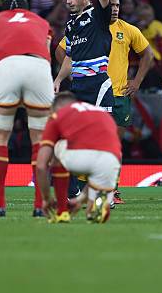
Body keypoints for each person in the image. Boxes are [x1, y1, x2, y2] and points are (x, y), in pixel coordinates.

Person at [53, 0, 113, 209]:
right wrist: (58, 79)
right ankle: (77, 191)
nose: (68, 0)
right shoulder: (71, 25)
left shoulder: (98, 15)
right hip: (78, 86)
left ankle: (106, 194)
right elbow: (71, 57)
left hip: (99, 84)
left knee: (101, 139)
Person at [0, 0, 54, 217]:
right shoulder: (42, 22)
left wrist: (0, 91)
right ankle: (40, 205)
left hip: (7, 67)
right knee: (40, 140)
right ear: (27, 10)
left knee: (0, 137)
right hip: (39, 67)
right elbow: (48, 56)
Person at [36, 92, 122, 224]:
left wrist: (47, 199)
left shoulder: (58, 115)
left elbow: (41, 165)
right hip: (112, 161)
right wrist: (79, 200)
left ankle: (62, 211)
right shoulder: (100, 112)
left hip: (78, 158)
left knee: (57, 149)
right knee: (92, 211)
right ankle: (97, 204)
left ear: (56, 107)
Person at [106, 0, 154, 203]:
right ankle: (85, 187)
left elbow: (148, 54)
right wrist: (76, 73)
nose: (116, 8)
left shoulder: (128, 29)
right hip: (93, 94)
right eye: (111, 5)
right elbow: (62, 50)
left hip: (119, 95)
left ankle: (112, 190)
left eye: (118, 5)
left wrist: (136, 82)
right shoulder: (89, 25)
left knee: (114, 144)